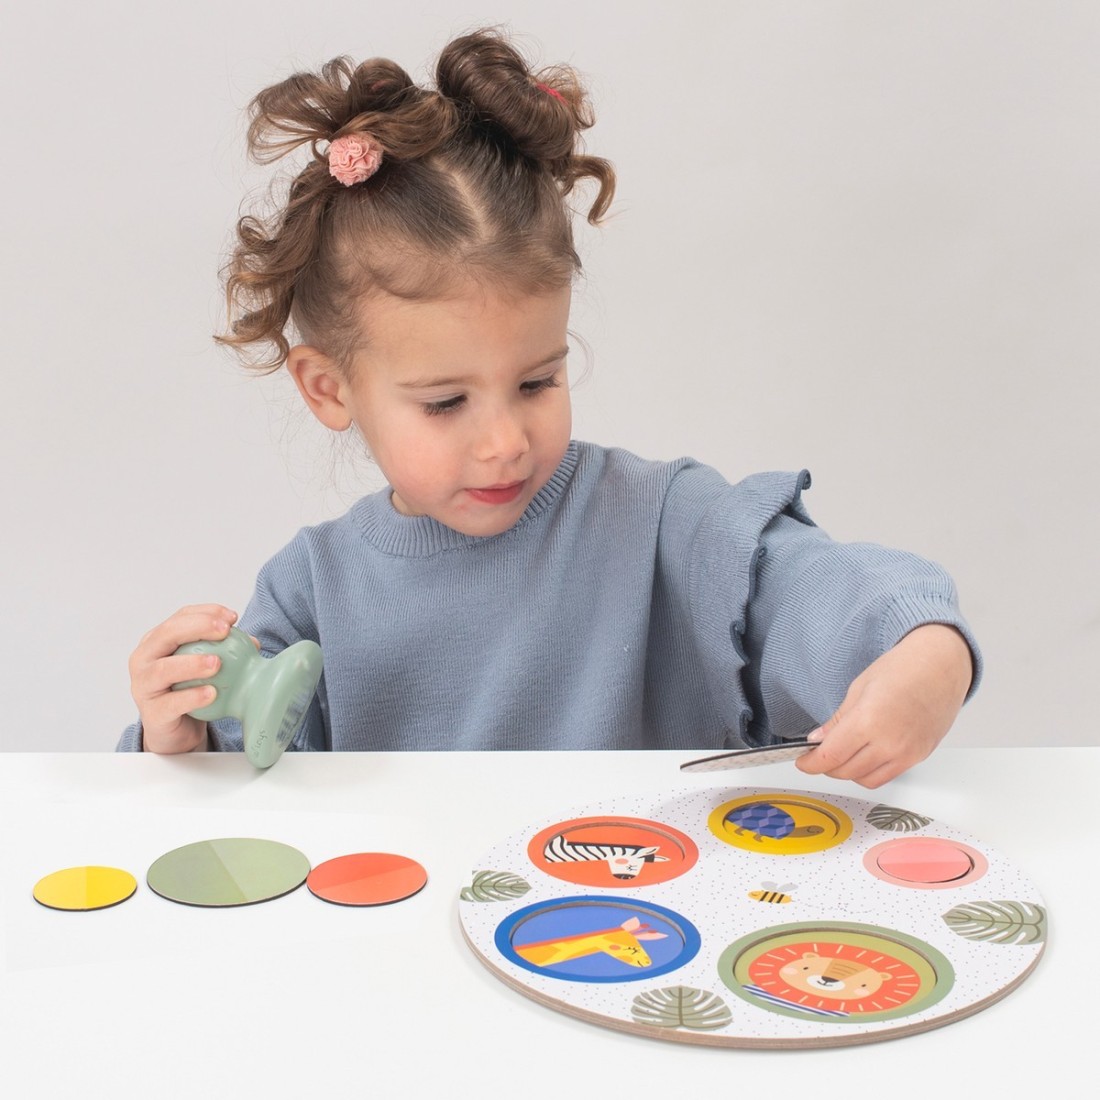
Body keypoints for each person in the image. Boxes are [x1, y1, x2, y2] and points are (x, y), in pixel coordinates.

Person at [120, 28, 979, 788]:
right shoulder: (313, 592)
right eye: (446, 402)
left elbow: (815, 587)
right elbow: (244, 796)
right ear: (329, 388)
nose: (504, 442)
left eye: (537, 383)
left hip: (635, 910)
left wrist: (921, 653)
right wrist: (179, 737)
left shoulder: (661, 523)